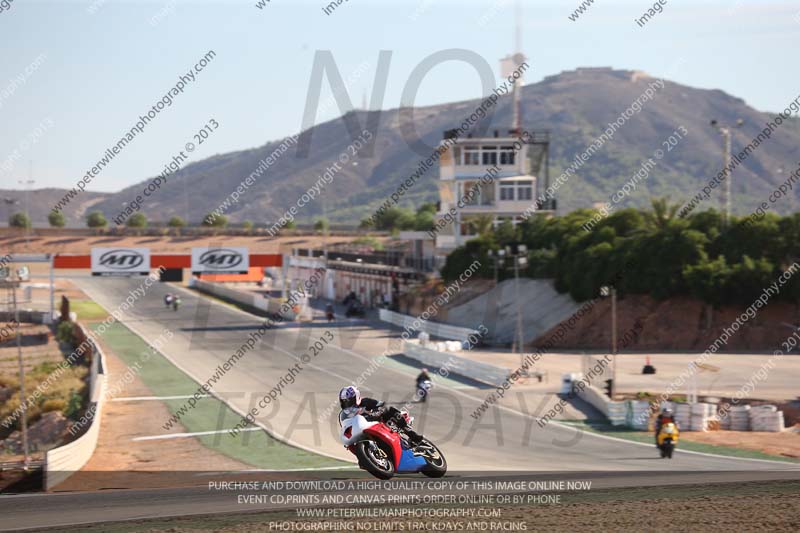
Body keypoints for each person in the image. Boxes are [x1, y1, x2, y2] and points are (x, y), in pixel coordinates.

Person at [338, 386, 424, 445]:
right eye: (344, 401)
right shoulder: (345, 414)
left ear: (356, 397)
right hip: (361, 430)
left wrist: (376, 411)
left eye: (348, 400)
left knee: (388, 410)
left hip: (378, 422)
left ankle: (411, 434)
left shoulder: (365, 402)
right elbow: (345, 425)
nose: (347, 403)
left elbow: (381, 404)